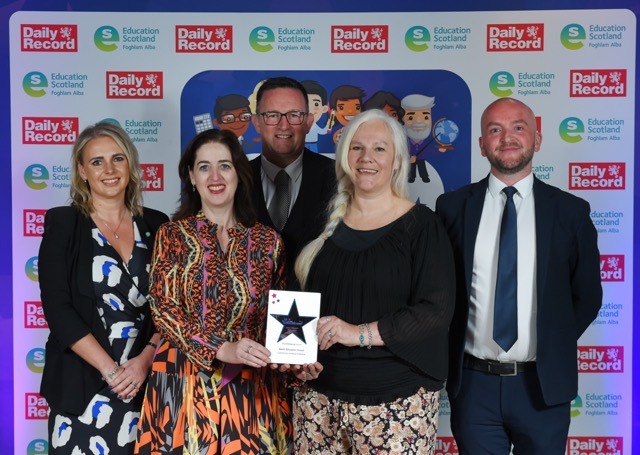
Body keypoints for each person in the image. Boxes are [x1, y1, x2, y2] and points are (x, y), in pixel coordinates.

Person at [435, 97, 602, 454]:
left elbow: (587, 296)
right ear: (482, 145)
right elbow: (440, 292)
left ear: (537, 140)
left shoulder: (570, 212)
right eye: (494, 130)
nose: (506, 138)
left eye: (518, 128)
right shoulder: (451, 208)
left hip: (542, 386)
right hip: (473, 385)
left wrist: (553, 340)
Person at [135, 128, 311, 454]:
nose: (215, 176)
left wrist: (296, 362)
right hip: (182, 389)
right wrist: (221, 349)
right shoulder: (172, 235)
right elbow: (163, 308)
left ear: (239, 174)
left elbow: (282, 319)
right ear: (191, 176)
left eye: (225, 165)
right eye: (204, 167)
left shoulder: (268, 242)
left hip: (254, 395)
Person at [293, 109, 456, 454]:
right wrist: (296, 355)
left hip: (396, 404)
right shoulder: (319, 224)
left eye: (380, 149)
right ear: (344, 156)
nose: (367, 158)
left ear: (398, 161)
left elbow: (435, 311)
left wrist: (358, 333)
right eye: (357, 147)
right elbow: (295, 299)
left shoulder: (421, 226)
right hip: (316, 401)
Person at [38, 121, 168, 454]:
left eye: (117, 159)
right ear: (82, 171)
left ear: (130, 164)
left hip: (148, 385)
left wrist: (144, 362)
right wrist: (111, 371)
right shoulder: (64, 224)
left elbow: (170, 307)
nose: (109, 170)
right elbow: (57, 309)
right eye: (97, 162)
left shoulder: (158, 224)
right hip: (83, 388)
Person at [250, 76, 336, 286]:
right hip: (246, 316)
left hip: (322, 313)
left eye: (294, 115)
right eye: (272, 115)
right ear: (257, 123)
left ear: (308, 122)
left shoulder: (340, 179)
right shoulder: (233, 180)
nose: (283, 125)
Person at [402, 94, 436, 183]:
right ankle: (411, 177)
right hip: (411, 158)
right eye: (410, 117)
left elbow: (431, 151)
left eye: (425, 117)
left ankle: (424, 177)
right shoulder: (405, 143)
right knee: (411, 168)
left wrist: (439, 150)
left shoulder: (425, 143)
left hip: (421, 158)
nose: (418, 122)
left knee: (422, 168)